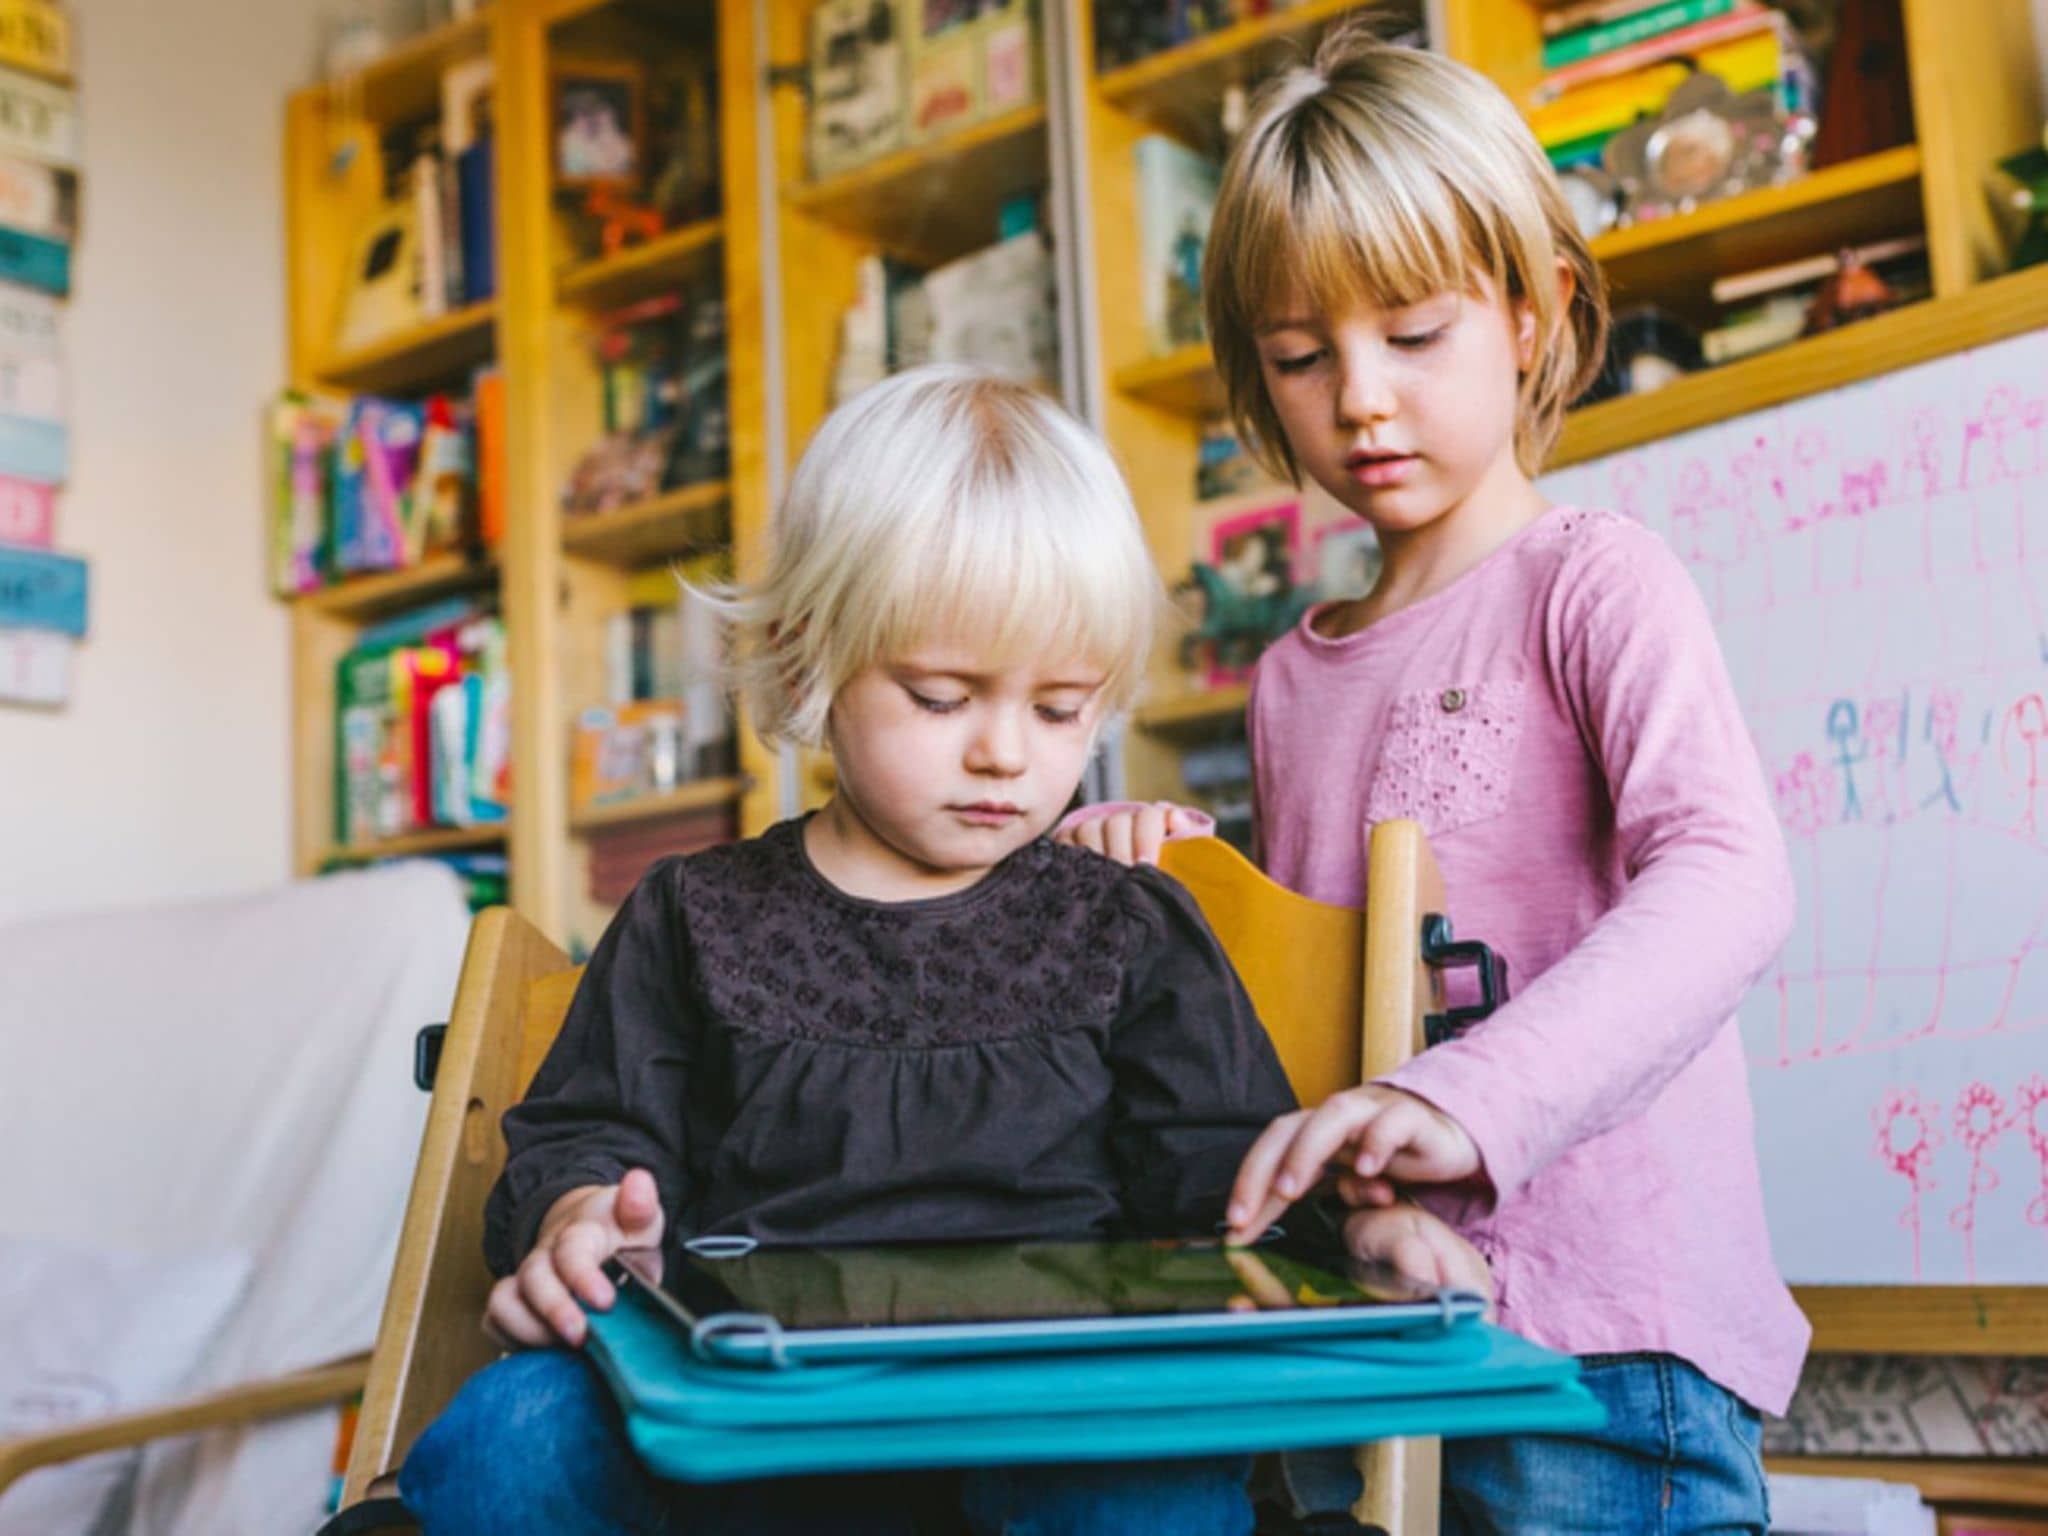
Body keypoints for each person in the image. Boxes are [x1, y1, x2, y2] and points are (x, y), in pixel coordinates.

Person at [397, 364, 1489, 1536]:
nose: (1003, 756)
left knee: (1151, 1482)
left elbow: (1231, 1185)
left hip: (1057, 1403)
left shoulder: (1123, 926)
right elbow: (587, 1130)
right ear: (811, 656)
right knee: (504, 1442)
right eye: (938, 696)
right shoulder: (688, 915)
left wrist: (1360, 1233)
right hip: (749, 1415)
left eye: (1060, 709)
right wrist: (576, 1220)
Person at [1060, 26, 1805, 1535]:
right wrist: (1177, 872)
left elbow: (1731, 879)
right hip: (1377, 1327)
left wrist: (1463, 1103)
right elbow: (1315, 987)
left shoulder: (1592, 581)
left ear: (1529, 316)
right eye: (1300, 356)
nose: (1362, 401)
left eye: (1412, 334)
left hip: (1601, 1340)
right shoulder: (1287, 675)